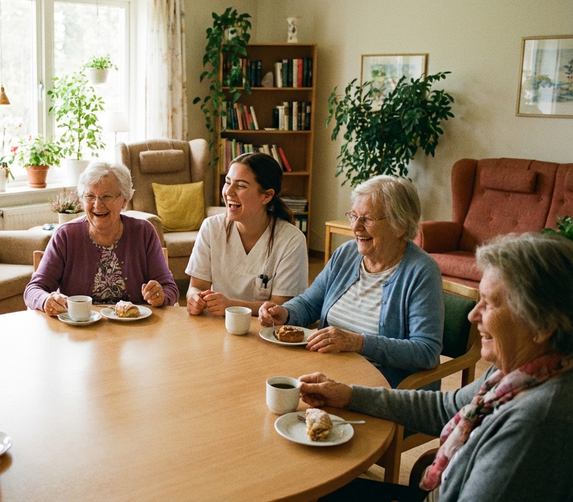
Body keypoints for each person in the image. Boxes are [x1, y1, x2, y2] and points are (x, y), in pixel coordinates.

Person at [301, 232, 573, 502]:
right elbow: (445, 408)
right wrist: (348, 395)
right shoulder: (522, 373)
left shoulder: (534, 422)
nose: (472, 314)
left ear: (543, 326)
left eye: (490, 304)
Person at [259, 175, 443, 388]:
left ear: (400, 225)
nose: (355, 227)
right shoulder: (346, 254)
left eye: (367, 219)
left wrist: (358, 342)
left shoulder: (421, 272)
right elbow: (310, 303)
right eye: (353, 216)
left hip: (380, 388)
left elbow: (426, 351)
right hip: (327, 371)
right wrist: (286, 312)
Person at [24, 161, 178, 315]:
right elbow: (33, 289)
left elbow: (169, 288)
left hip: (134, 330)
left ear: (124, 200)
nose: (97, 205)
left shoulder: (144, 232)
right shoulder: (65, 236)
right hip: (80, 331)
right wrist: (46, 300)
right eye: (90, 196)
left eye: (106, 196)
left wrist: (160, 295)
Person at [186, 152, 307, 316]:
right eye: (227, 182)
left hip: (264, 332)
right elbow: (197, 286)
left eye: (241, 185)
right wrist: (194, 298)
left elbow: (281, 307)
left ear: (267, 195)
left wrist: (231, 306)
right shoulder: (211, 227)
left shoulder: (291, 240)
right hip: (215, 326)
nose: (228, 192)